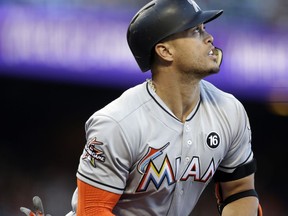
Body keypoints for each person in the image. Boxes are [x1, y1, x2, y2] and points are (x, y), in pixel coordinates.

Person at [21, 0, 263, 215]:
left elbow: (239, 191)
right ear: (165, 51)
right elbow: (93, 209)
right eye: (195, 31)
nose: (209, 37)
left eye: (205, 29)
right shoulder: (118, 122)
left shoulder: (230, 111)